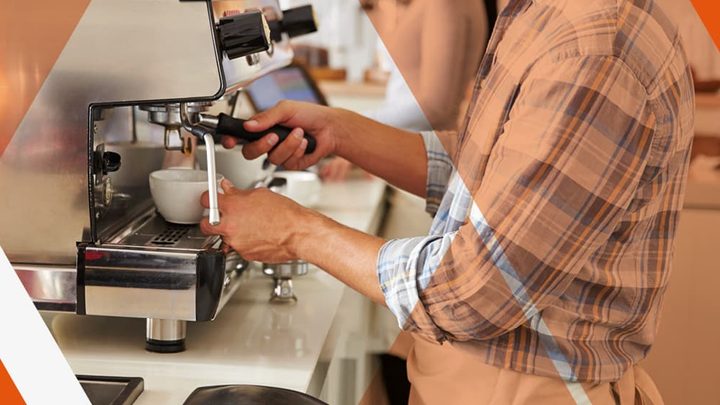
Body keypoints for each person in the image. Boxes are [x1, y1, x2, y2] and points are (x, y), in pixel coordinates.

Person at [202, 0, 694, 403]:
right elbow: (497, 170)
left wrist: (297, 231)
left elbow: (475, 290)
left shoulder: (592, 48)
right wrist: (344, 132)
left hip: (526, 388)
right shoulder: (538, 16)